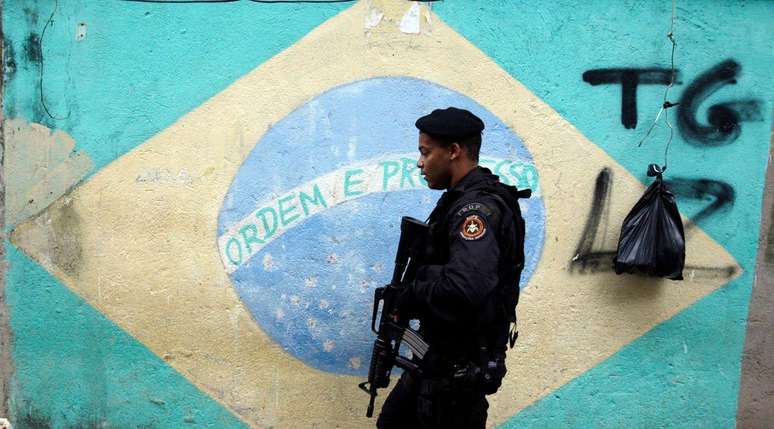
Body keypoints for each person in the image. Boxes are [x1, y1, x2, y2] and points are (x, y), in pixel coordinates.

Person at [376, 107, 528, 429]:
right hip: (436, 363)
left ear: (454, 151)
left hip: (455, 376)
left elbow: (466, 286)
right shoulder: (460, 200)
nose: (420, 163)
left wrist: (412, 292)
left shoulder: (476, 210)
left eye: (426, 152)